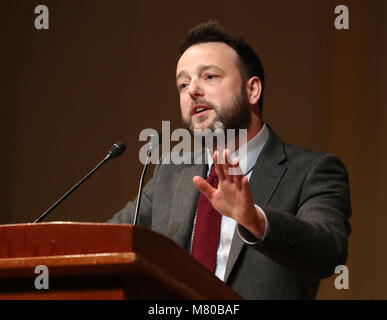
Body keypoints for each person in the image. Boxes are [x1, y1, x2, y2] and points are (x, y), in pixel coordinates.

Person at [108, 21, 352, 299]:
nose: (192, 91)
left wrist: (255, 221)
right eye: (183, 83)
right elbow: (103, 243)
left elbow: (329, 253)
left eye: (209, 77)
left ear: (252, 91)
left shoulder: (313, 171)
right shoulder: (171, 175)